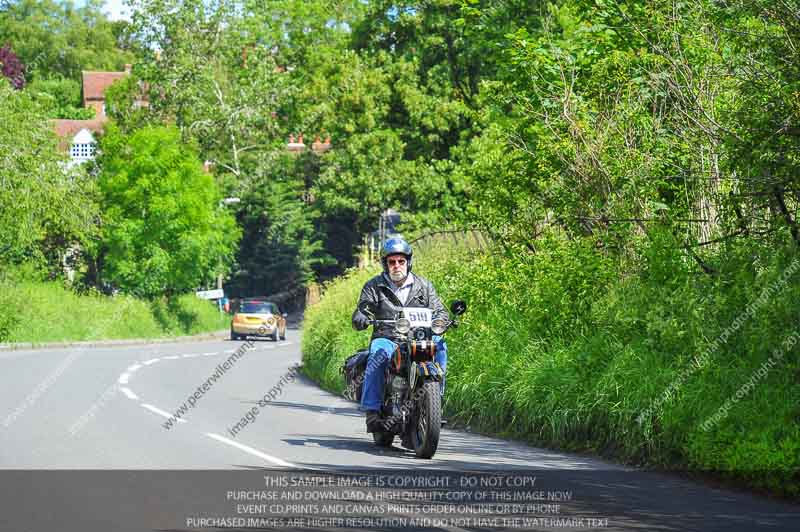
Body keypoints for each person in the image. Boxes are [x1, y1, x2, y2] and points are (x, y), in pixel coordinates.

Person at [351, 237, 449, 433]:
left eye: (401, 261)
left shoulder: (424, 285)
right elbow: (363, 308)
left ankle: (435, 398)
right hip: (388, 337)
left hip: (420, 338)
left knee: (440, 345)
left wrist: (442, 321)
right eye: (392, 262)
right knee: (377, 354)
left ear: (408, 262)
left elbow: (440, 310)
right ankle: (372, 410)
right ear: (385, 264)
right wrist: (361, 315)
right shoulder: (374, 286)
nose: (397, 265)